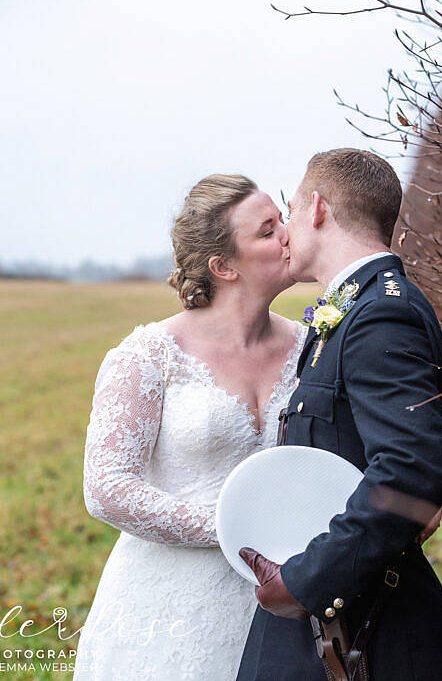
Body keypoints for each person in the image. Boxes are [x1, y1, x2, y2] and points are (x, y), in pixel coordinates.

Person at [236, 148, 442, 680]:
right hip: (337, 608)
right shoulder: (354, 308)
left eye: (291, 210)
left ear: (317, 208)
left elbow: (412, 471)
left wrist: (305, 582)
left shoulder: (381, 313)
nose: (288, 230)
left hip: (365, 623)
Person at [74, 174, 307, 679]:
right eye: (267, 230)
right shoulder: (146, 356)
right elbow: (107, 489)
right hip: (169, 608)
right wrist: (236, 533)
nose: (288, 233)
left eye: (282, 218)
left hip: (289, 604)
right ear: (223, 267)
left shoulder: (315, 348)